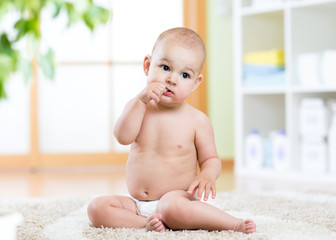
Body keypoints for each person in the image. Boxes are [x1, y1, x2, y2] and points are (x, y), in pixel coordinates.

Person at [87, 27, 256, 234]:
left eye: (184, 75)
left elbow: (211, 159)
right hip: (136, 203)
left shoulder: (197, 120)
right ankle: (147, 223)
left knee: (171, 208)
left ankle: (233, 224)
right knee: (96, 208)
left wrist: (207, 176)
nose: (172, 79)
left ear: (195, 83)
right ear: (148, 66)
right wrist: (140, 100)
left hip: (177, 198)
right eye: (165, 67)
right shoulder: (138, 107)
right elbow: (122, 137)